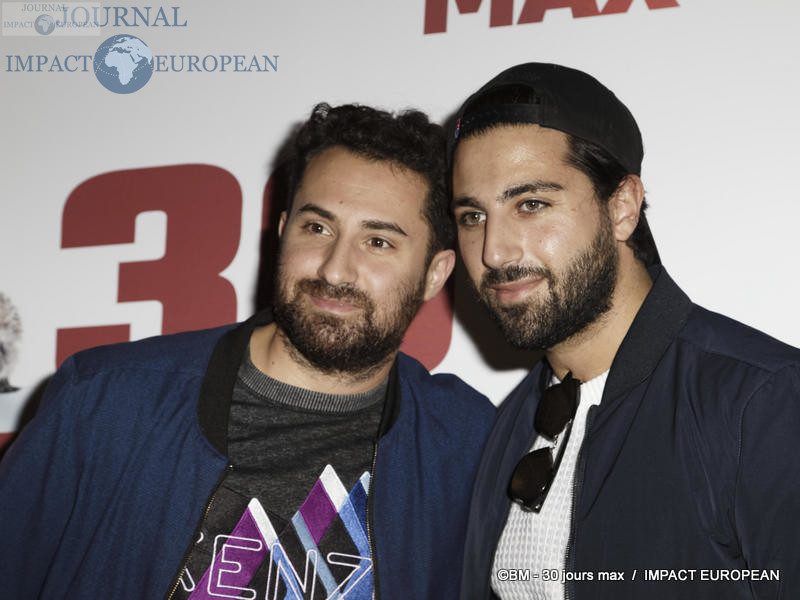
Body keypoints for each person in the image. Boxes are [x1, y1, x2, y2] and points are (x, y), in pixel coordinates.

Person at [0, 103, 495, 600]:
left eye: (379, 242)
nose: (335, 270)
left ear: (435, 273)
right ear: (282, 233)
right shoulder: (106, 402)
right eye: (317, 228)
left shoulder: (465, 443)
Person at [449, 63, 800, 600]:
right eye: (473, 216)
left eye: (532, 204)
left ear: (622, 207)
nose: (493, 251)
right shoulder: (510, 425)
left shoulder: (763, 402)